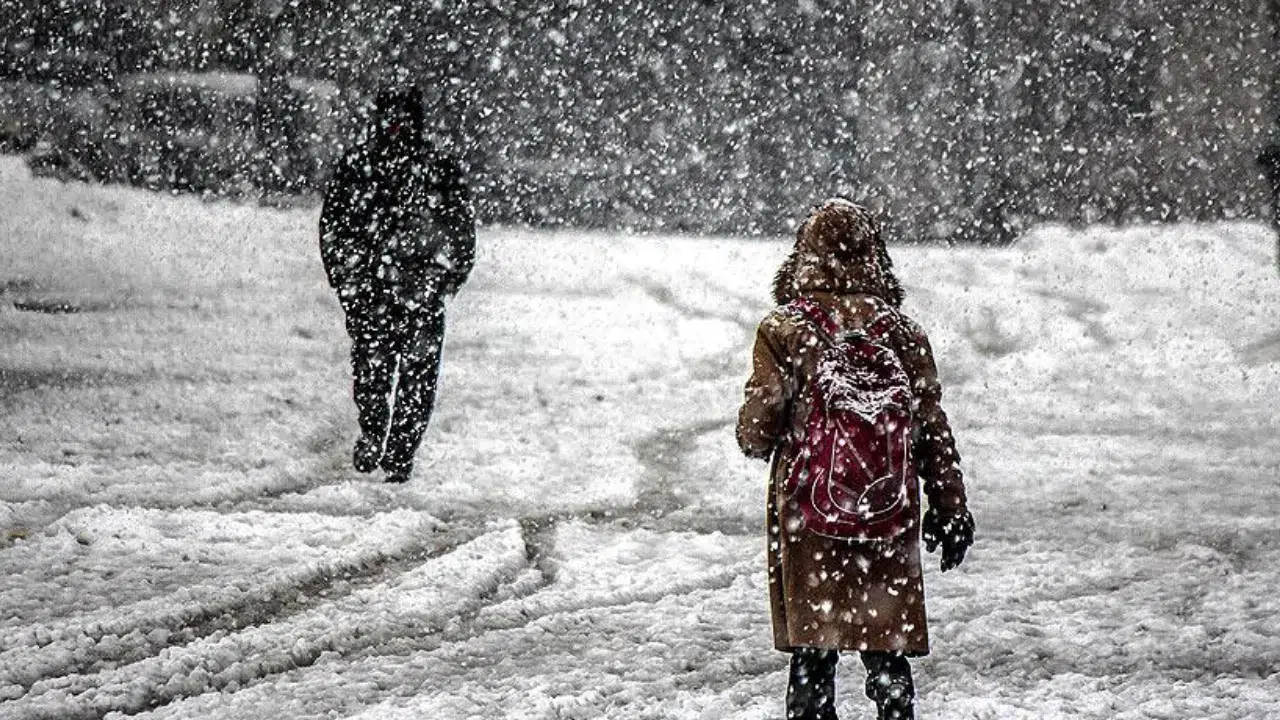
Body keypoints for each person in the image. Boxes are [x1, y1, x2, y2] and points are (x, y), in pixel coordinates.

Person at [736, 199, 974, 720]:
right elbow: (931, 428)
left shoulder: (784, 330)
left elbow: (762, 422)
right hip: (886, 511)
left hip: (810, 512)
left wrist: (754, 436)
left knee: (813, 656)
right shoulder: (903, 334)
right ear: (877, 258)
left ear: (803, 257)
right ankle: (892, 705)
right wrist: (951, 506)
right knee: (885, 648)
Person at [319, 85, 475, 484]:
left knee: (416, 381)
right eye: (392, 119)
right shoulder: (358, 168)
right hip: (373, 292)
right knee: (372, 372)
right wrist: (348, 281)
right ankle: (373, 433)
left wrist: (442, 281)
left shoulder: (437, 170)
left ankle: (400, 453)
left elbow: (461, 233)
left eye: (405, 119)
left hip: (419, 294)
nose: (398, 127)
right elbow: (334, 229)